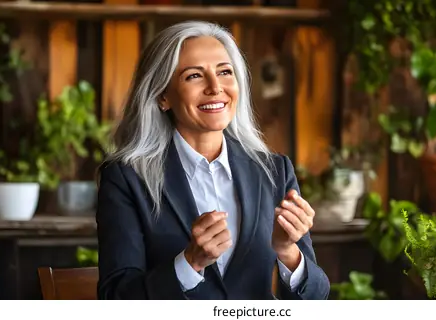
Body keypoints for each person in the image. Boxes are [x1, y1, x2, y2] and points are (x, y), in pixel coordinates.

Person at [96, 20, 330, 300]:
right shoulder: (125, 178)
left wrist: (288, 252)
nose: (215, 87)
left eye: (225, 72)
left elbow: (316, 299)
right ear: (162, 96)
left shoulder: (275, 171)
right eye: (194, 76)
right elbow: (116, 298)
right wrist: (190, 263)